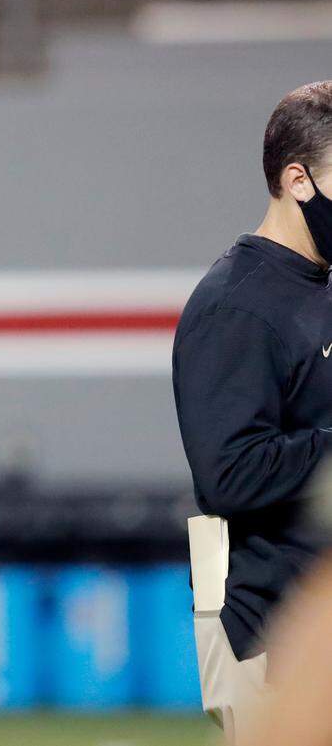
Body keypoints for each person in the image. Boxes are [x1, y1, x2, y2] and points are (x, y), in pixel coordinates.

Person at [173, 79, 332, 745]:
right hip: (277, 636)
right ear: (298, 180)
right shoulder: (236, 306)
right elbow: (229, 473)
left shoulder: (321, 284)